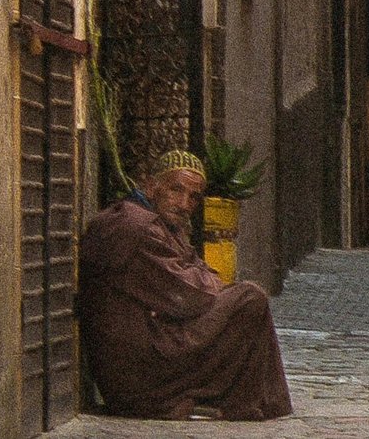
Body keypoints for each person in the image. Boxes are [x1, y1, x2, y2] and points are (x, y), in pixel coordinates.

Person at [77, 150, 292, 421]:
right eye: (176, 190)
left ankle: (247, 402)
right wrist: (203, 279)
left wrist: (200, 278)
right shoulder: (139, 227)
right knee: (249, 298)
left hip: (146, 353)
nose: (184, 203)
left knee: (245, 301)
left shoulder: (162, 225)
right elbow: (191, 294)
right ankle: (247, 402)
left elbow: (197, 273)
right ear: (152, 186)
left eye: (193, 197)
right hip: (139, 370)